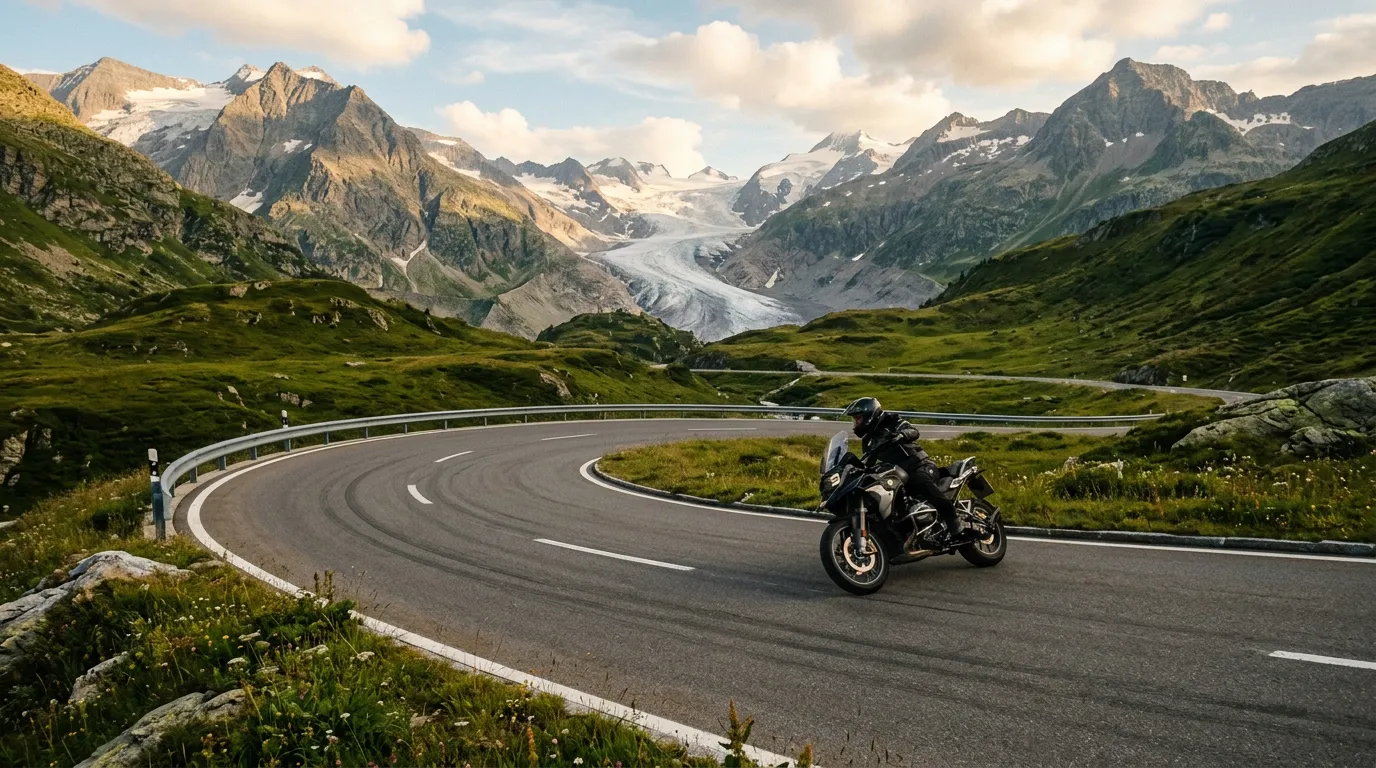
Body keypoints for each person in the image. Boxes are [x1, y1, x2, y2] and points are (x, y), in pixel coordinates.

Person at [842, 396, 962, 543]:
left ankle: (956, 526)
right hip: (898, 475)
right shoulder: (868, 440)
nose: (856, 423)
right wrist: (853, 468)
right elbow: (868, 461)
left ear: (869, 416)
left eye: (858, 419)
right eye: (854, 420)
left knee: (920, 482)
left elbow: (913, 431)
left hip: (919, 465)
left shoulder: (891, 421)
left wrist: (902, 434)